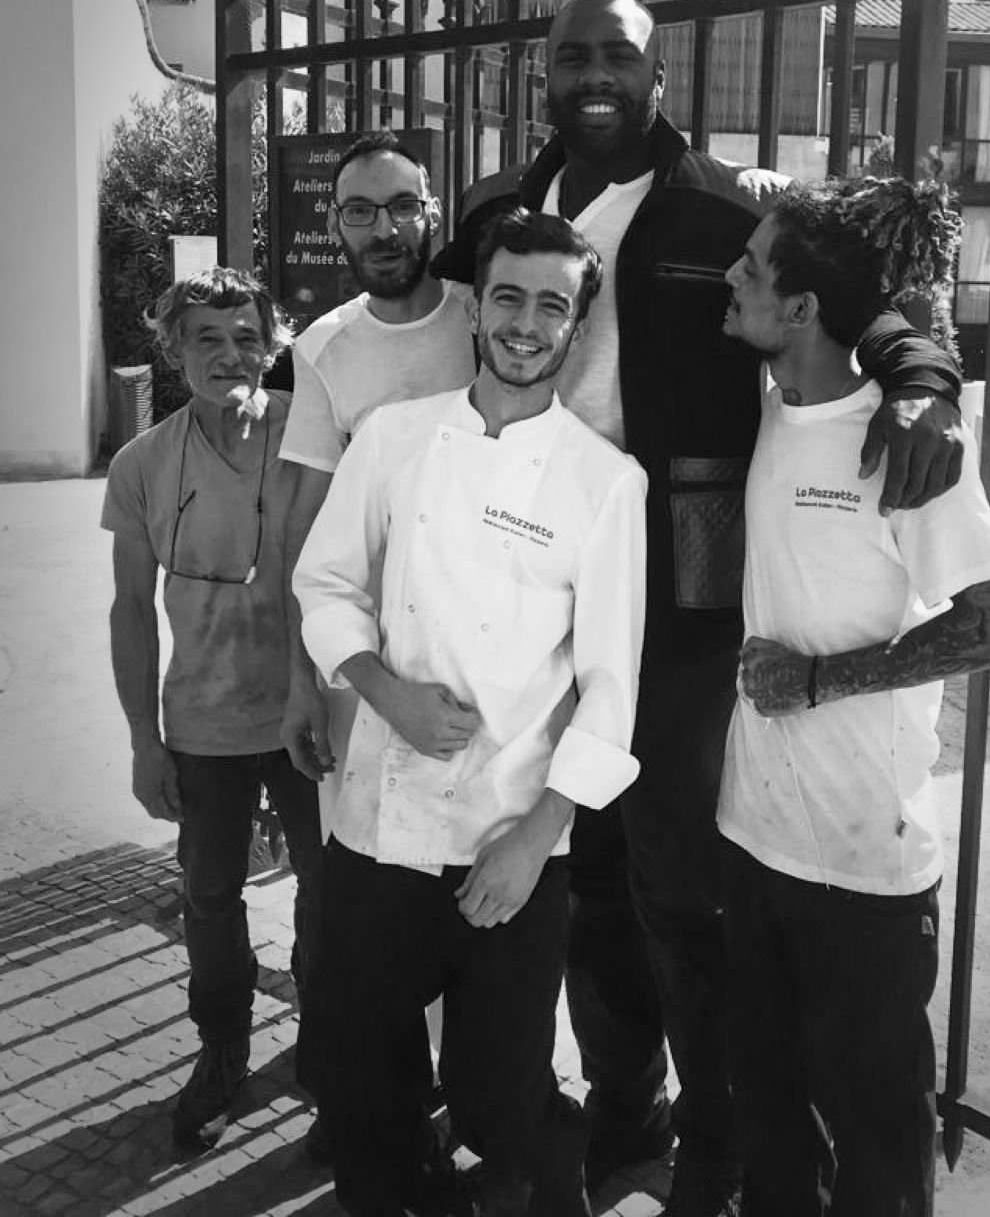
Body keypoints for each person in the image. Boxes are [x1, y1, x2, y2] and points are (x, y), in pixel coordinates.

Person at [432, 0, 967, 1215]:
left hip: (682, 605)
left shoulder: (727, 205)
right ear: (544, 78)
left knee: (682, 892)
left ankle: (721, 1158)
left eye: (618, 55)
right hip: (536, 596)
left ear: (659, 74)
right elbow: (416, 326)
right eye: (572, 59)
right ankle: (629, 1111)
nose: (594, 77)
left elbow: (865, 301)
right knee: (583, 886)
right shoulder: (500, 216)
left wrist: (923, 380)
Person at [293, 208, 647, 1217]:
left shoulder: (605, 482)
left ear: (577, 326)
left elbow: (613, 685)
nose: (526, 323)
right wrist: (382, 688)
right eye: (507, 296)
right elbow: (324, 584)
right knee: (362, 1082)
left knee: (501, 1097)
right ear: (477, 307)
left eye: (552, 303)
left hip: (508, 839)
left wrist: (540, 837)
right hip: (375, 826)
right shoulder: (397, 440)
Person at [718, 178, 990, 1215]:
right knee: (771, 1123)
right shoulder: (767, 403)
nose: (730, 277)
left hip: (864, 866)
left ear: (800, 309)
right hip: (751, 838)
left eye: (751, 271)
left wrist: (823, 678)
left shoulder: (905, 441)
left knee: (880, 1146)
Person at [102, 267, 323, 1152]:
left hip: (312, 717)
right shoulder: (143, 464)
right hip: (202, 721)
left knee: (330, 892)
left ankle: (326, 1041)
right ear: (173, 352)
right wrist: (142, 742)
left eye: (246, 338)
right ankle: (223, 1047)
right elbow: (129, 608)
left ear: (271, 346)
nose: (230, 355)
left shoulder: (313, 443)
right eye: (207, 339)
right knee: (208, 894)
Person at [278, 131, 477, 811]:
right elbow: (304, 528)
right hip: (369, 657)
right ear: (336, 223)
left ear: (432, 212)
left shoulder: (485, 317)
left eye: (401, 206)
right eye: (359, 211)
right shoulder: (322, 347)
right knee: (367, 868)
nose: (384, 229)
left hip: (486, 639)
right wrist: (301, 678)